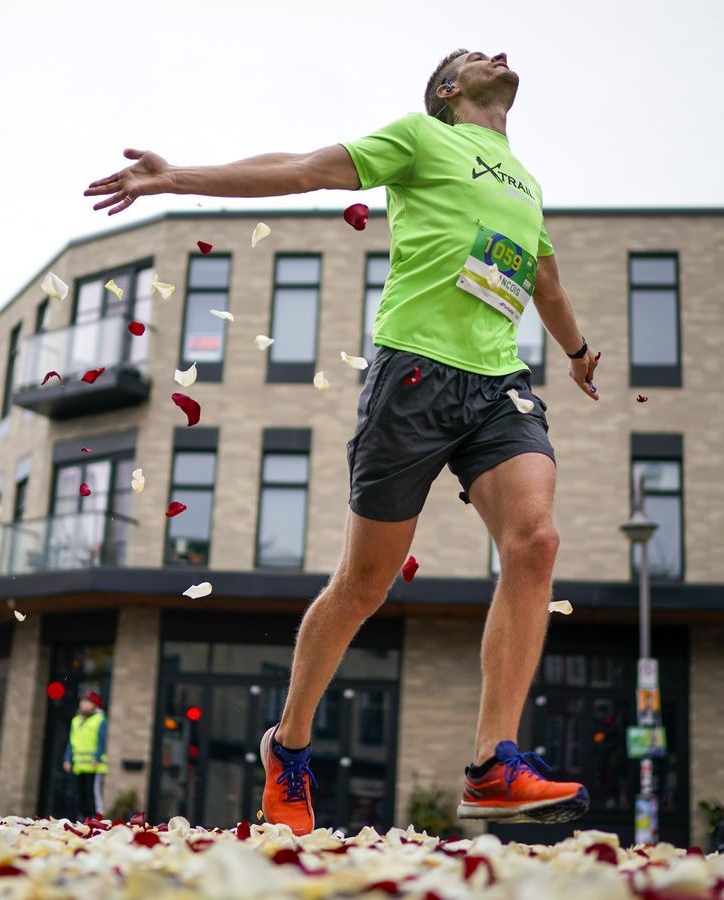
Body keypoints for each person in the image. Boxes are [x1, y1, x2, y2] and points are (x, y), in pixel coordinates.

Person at [86, 50, 599, 836]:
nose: (491, 53)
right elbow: (299, 169)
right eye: (467, 56)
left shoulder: (524, 181)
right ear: (447, 90)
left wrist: (574, 351)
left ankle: (493, 764)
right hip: (413, 377)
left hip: (497, 382)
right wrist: (178, 176)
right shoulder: (422, 139)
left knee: (535, 542)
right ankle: (286, 747)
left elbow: (544, 282)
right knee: (364, 583)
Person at [63, 691, 107, 820]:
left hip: (94, 765)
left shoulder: (100, 720)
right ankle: (82, 818)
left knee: (92, 793)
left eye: (87, 701)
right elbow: (71, 742)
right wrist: (67, 759)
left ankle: (95, 818)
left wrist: (97, 757)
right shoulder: (76, 721)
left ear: (94, 705)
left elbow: (102, 741)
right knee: (78, 793)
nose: (83, 704)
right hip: (78, 765)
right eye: (82, 701)